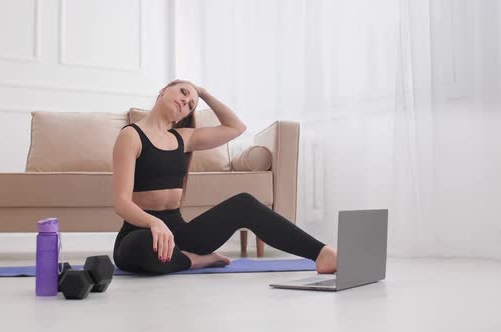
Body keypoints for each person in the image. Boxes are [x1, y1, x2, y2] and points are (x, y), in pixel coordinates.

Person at [112, 79, 337, 275]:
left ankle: (321, 253)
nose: (186, 101)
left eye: (191, 104)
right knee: (140, 248)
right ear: (163, 90)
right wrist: (154, 222)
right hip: (140, 233)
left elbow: (236, 127)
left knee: (244, 204)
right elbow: (122, 203)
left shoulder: (184, 137)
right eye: (182, 92)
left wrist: (203, 93)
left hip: (180, 235)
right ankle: (196, 260)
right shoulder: (132, 135)